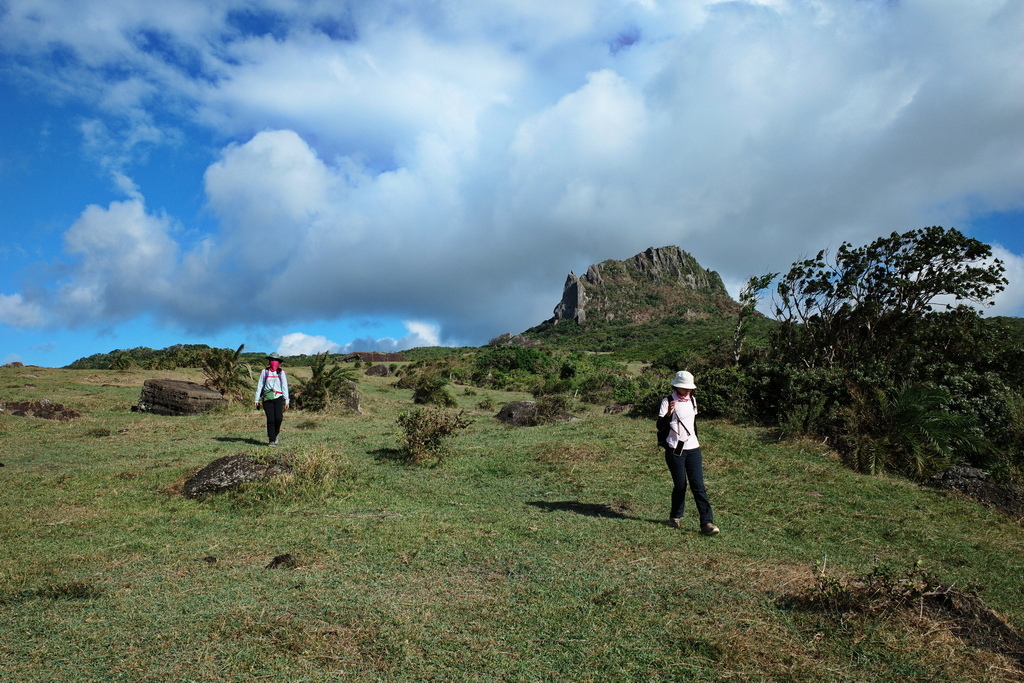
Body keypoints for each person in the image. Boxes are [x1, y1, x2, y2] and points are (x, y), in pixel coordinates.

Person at [658, 370, 719, 535]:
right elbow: (660, 426)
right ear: (676, 386)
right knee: (680, 485)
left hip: (693, 448)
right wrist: (669, 413)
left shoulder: (692, 400)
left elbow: (693, 424)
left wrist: (696, 442)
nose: (687, 391)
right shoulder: (667, 401)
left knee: (698, 485)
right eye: (684, 388)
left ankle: (707, 523)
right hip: (674, 449)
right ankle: (675, 517)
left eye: (689, 388)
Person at [255, 353, 290, 446]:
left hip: (278, 398)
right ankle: (271, 439)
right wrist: (256, 400)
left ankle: (276, 433)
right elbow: (260, 386)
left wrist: (287, 400)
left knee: (278, 418)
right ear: (269, 361)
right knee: (270, 419)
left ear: (279, 362)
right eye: (272, 360)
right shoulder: (264, 372)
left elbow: (284, 386)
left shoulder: (281, 373)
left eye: (276, 360)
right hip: (267, 398)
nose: (274, 362)